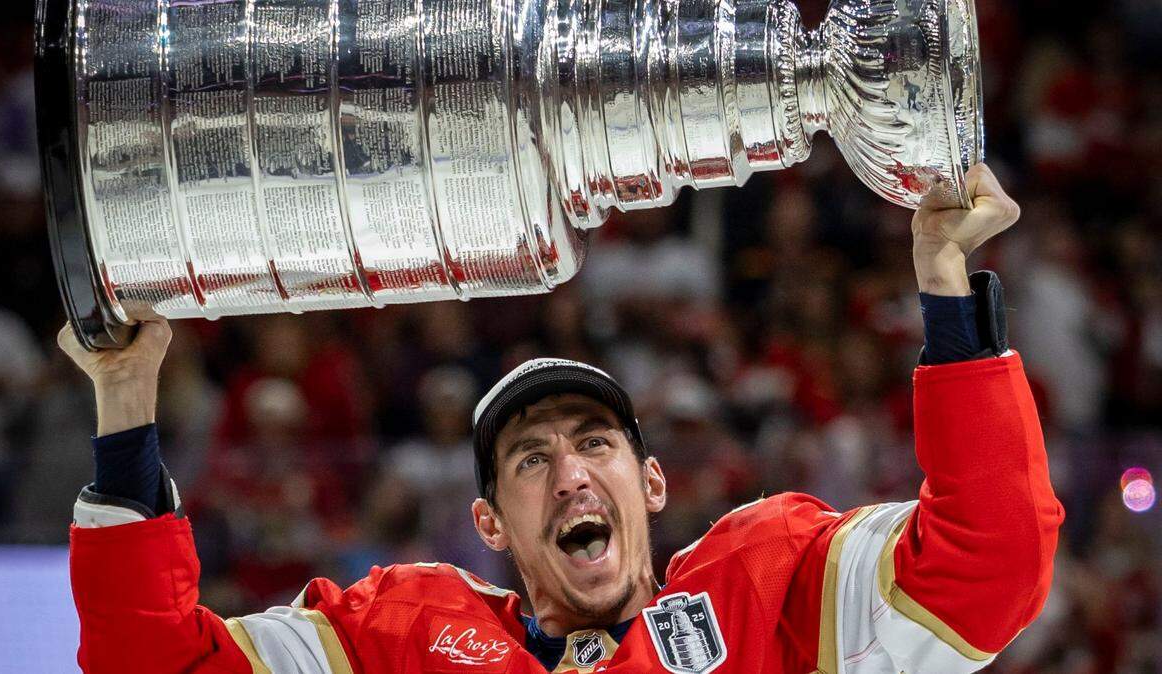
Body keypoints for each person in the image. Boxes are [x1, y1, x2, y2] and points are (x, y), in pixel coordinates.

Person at [60, 165, 1063, 674]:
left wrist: (944, 289)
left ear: (652, 480)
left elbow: (991, 556)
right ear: (489, 521)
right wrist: (125, 399)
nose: (571, 469)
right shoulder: (403, 637)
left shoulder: (772, 591)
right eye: (530, 458)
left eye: (595, 441)